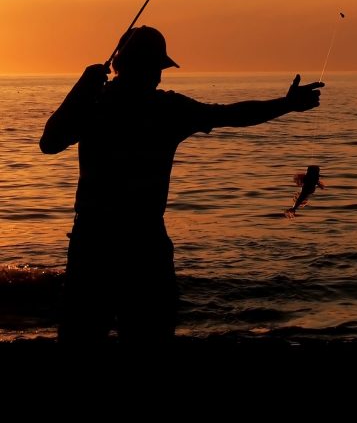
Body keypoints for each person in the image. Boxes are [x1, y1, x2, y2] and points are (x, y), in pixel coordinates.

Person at [39, 25, 323, 348]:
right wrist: (286, 104)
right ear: (144, 68)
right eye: (156, 68)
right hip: (143, 245)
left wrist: (81, 90)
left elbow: (49, 142)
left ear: (117, 63)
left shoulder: (96, 103)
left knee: (81, 340)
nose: (159, 77)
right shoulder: (164, 109)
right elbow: (231, 115)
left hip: (93, 243)